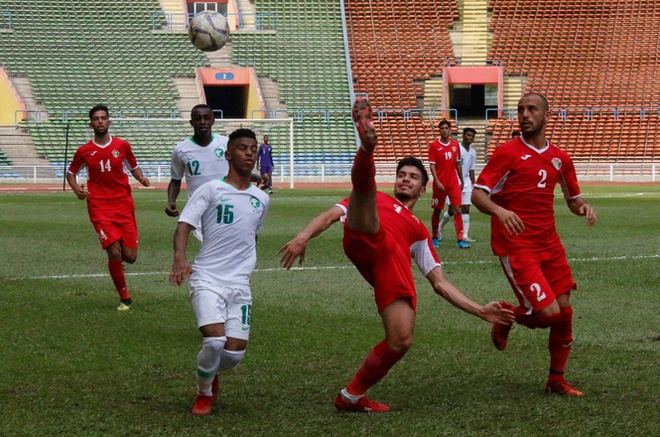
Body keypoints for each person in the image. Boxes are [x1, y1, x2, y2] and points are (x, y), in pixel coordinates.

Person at [278, 98, 514, 413]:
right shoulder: (380, 200)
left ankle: (351, 396)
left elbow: (440, 283)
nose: (405, 178)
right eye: (401, 174)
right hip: (366, 232)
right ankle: (366, 147)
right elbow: (330, 215)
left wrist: (480, 310)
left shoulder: (418, 230)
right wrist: (302, 236)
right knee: (364, 194)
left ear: (422, 190)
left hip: (389, 266)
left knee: (400, 341)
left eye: (413, 177)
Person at [472, 93, 597, 397]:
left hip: (550, 244)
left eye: (531, 109)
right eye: (520, 110)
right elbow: (478, 194)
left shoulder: (560, 158)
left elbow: (572, 199)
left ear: (546, 115)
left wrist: (583, 207)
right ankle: (505, 316)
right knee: (549, 315)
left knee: (564, 311)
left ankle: (556, 380)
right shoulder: (507, 152)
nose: (525, 114)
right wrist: (500, 211)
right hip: (517, 246)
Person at [170, 128, 269, 416]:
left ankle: (211, 372)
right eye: (242, 148)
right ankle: (203, 393)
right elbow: (184, 225)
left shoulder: (261, 199)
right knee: (214, 341)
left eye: (253, 148)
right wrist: (180, 259)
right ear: (228, 155)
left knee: (234, 355)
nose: (250, 153)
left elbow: (253, 236)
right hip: (208, 278)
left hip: (239, 283)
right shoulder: (210, 189)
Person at [67, 104, 150, 311]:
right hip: (99, 206)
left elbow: (133, 166)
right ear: (91, 124)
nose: (100, 121)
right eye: (96, 119)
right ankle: (125, 298)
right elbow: (71, 173)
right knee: (114, 251)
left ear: (109, 121)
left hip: (123, 204)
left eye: (103, 118)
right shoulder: (84, 151)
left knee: (130, 257)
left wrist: (141, 178)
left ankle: (118, 261)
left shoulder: (122, 145)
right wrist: (77, 189)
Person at [165, 104, 229, 220]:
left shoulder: (226, 144)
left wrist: (254, 177)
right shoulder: (180, 150)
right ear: (191, 122)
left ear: (213, 121)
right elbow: (175, 180)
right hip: (198, 210)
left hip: (226, 206)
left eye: (206, 118)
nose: (202, 122)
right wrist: (171, 201)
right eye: (197, 118)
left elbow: (238, 171)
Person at [428, 119, 469, 248]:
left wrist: (461, 180)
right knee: (437, 210)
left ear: (450, 130)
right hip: (439, 183)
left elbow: (458, 164)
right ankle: (435, 237)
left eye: (446, 128)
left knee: (457, 209)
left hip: (453, 182)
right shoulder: (434, 146)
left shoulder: (455, 145)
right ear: (439, 130)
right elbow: (432, 166)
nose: (444, 130)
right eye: (442, 128)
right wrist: (437, 181)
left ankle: (460, 240)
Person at [443, 127, 478, 243]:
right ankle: (440, 227)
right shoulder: (456, 148)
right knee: (453, 209)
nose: (470, 138)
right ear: (463, 135)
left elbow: (472, 170)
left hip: (467, 181)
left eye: (472, 136)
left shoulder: (473, 152)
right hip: (454, 180)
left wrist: (474, 184)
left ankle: (465, 235)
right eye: (468, 135)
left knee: (466, 208)